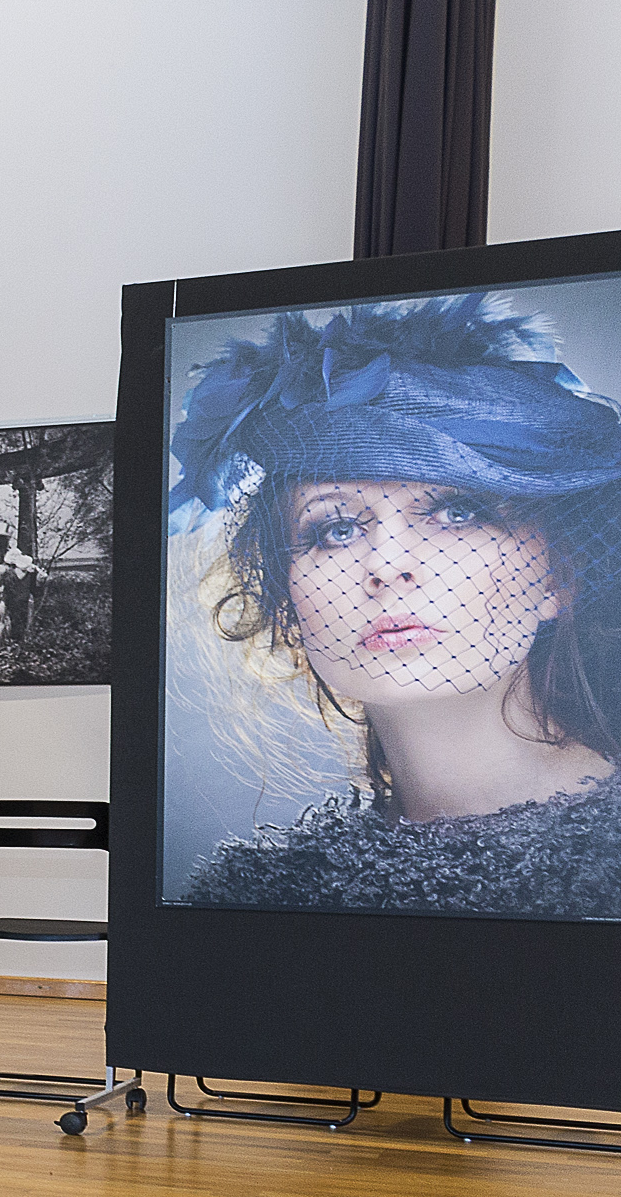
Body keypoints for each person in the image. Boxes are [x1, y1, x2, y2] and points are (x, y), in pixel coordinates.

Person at [174, 295, 621, 917]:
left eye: (457, 513)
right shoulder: (257, 893)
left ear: (561, 578)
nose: (387, 566)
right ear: (287, 606)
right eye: (334, 530)